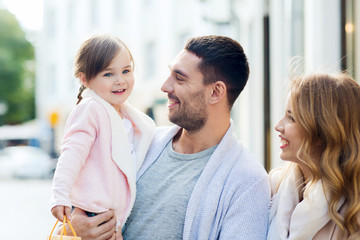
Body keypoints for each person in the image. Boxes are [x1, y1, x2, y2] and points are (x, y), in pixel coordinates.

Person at [67, 35, 270, 240]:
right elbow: (84, 201)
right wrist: (70, 232)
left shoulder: (247, 182)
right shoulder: (142, 141)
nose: (165, 86)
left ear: (216, 92)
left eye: (179, 78)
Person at [50, 34, 155, 235]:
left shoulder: (127, 116)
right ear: (84, 79)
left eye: (126, 71)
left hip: (113, 216)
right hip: (92, 211)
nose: (120, 80)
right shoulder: (91, 109)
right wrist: (60, 196)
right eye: (108, 74)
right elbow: (71, 153)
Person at [268, 72, 360, 239]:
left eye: (291, 117)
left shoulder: (354, 210)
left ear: (322, 133)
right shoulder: (273, 186)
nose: (278, 126)